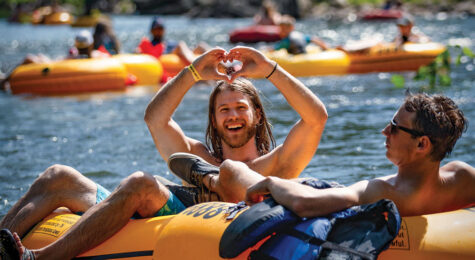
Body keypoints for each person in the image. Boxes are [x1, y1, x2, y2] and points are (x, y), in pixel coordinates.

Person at [0, 46, 328, 259]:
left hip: (221, 221)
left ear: (257, 114)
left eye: (240, 107)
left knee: (148, 182)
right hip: (175, 210)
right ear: (214, 120)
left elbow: (316, 118)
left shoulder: (279, 163)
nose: (232, 115)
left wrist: (270, 69)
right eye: (223, 110)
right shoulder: (196, 152)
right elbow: (155, 119)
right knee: (58, 176)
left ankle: (38, 259)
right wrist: (193, 72)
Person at [170, 93, 474, 218]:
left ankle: (210, 179)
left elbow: (304, 202)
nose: (384, 131)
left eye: (395, 128)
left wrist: (273, 184)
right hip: (334, 191)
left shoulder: (382, 190)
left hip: (322, 198)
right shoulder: (462, 176)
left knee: (234, 170)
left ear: (422, 145)